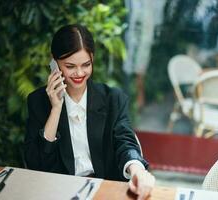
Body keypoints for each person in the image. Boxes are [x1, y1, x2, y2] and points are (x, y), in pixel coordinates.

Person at [24, 24, 155, 199]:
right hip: (60, 192)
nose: (79, 73)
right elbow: (36, 165)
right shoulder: (38, 102)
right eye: (70, 66)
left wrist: (137, 169)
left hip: (105, 191)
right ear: (54, 63)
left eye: (86, 64)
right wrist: (56, 109)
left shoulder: (113, 99)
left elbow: (125, 142)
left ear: (92, 58)